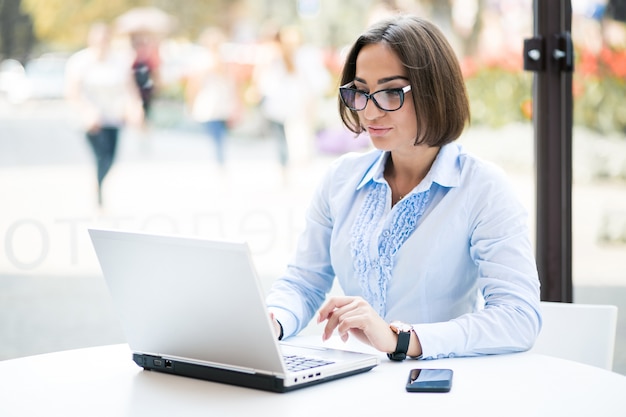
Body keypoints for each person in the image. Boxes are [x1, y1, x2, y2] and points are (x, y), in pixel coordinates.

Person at [266, 15, 542, 361]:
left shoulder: (483, 188)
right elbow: (303, 283)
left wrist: (402, 339)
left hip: (440, 387)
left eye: (391, 92)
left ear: (433, 91)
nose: (370, 111)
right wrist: (271, 322)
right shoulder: (340, 180)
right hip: (355, 378)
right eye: (361, 92)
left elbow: (519, 317)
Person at [65, 22, 142, 207]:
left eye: (105, 39)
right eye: (99, 39)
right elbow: (72, 93)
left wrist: (135, 108)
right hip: (90, 121)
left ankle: (99, 184)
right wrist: (87, 111)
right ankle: (98, 192)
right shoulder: (79, 61)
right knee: (102, 156)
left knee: (111, 158)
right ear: (91, 40)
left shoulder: (119, 61)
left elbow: (130, 90)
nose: (102, 42)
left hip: (114, 118)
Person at [185, 27, 239, 167]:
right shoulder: (204, 60)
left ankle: (218, 162)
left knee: (217, 137)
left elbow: (233, 84)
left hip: (218, 105)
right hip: (210, 105)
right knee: (216, 137)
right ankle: (218, 161)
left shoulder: (222, 61)